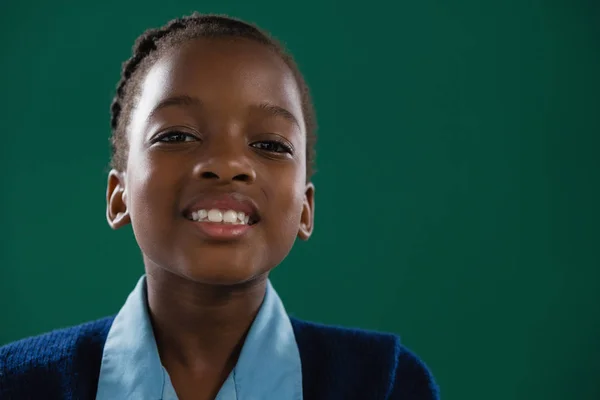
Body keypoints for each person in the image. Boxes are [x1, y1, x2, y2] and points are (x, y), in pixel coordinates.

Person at [0, 13, 439, 400]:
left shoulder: (385, 384)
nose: (227, 164)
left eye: (270, 144)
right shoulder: (17, 383)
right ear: (119, 195)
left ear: (305, 209)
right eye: (177, 136)